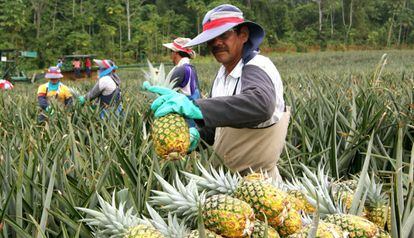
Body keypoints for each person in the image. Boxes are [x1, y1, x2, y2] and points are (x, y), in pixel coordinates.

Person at [143, 4, 289, 181]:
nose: (216, 43)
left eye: (224, 35)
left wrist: (195, 106)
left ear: (243, 34)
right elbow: (219, 126)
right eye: (211, 38)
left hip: (261, 187)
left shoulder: (258, 66)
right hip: (226, 183)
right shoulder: (222, 75)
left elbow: (260, 105)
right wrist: (194, 138)